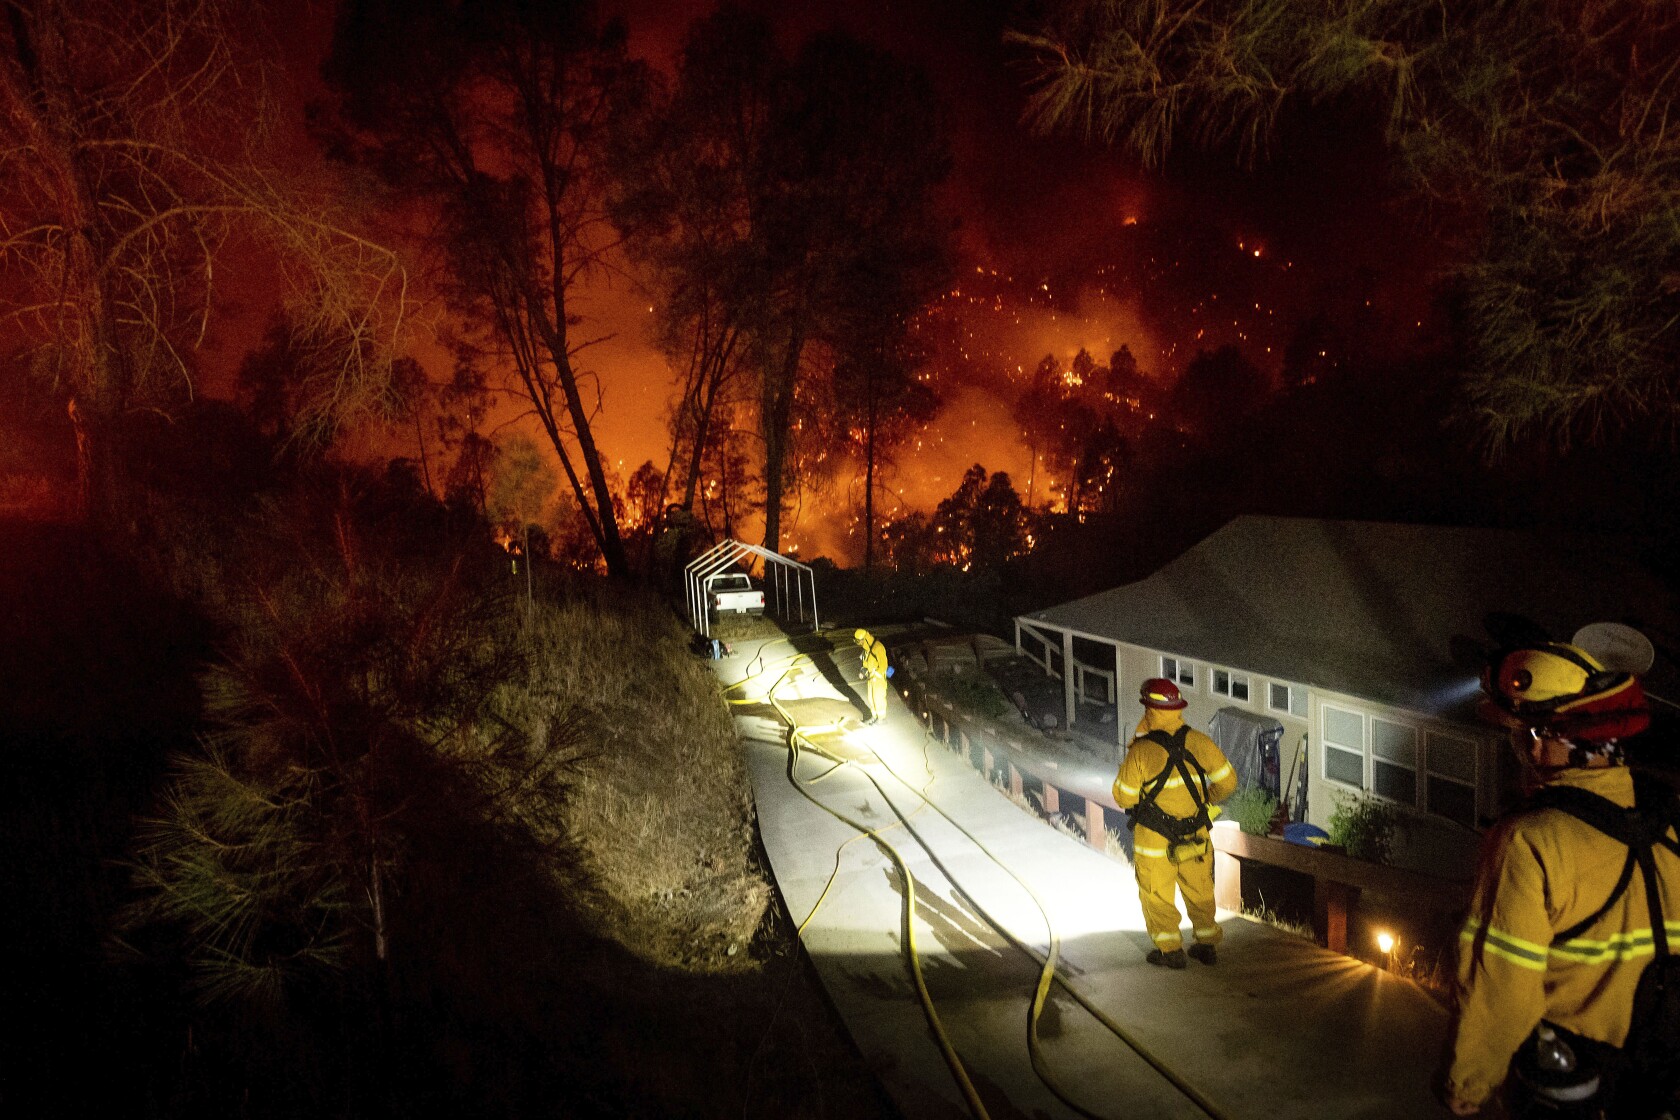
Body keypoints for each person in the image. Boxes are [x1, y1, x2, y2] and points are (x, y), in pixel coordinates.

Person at [1443, 640, 1677, 1118]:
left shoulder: (1530, 841)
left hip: (1567, 1085)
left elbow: (1502, 988)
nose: (1525, 750)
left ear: (1548, 738)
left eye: (1529, 733)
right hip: (1659, 1082)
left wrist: (1467, 1085)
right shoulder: (1668, 826)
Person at [1113, 678, 1237, 968]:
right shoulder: (1198, 741)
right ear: (1178, 708)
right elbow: (1228, 781)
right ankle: (1206, 945)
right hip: (1196, 835)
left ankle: (1170, 951)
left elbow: (1123, 796)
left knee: (1156, 893)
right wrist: (1206, 797)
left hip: (1155, 841)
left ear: (1148, 707)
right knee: (1200, 890)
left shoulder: (1141, 751)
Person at [853, 628, 889, 725]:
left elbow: (884, 665)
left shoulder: (878, 647)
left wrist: (876, 674)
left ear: (864, 639)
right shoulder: (867, 649)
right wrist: (863, 671)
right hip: (871, 678)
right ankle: (874, 716)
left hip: (878, 679)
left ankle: (881, 718)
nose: (859, 644)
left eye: (859, 641)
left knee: (878, 698)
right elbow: (866, 662)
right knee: (871, 698)